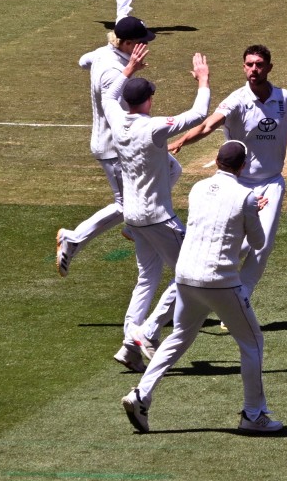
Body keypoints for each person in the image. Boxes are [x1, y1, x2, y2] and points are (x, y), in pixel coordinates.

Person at [168, 45, 287, 298]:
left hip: (271, 183)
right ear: (244, 67)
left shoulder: (284, 98)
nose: (254, 69)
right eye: (249, 64)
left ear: (269, 67)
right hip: (236, 184)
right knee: (229, 243)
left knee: (263, 244)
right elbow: (207, 126)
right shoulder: (236, 100)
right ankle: (189, 293)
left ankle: (241, 296)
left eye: (259, 64)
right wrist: (181, 141)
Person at [121, 140, 283, 434]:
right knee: (253, 343)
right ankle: (253, 414)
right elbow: (257, 244)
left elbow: (216, 225)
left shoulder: (197, 189)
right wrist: (253, 214)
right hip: (220, 280)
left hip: (185, 277)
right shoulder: (246, 196)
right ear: (243, 166)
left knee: (179, 337)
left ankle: (141, 395)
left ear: (217, 161)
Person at [103, 45, 211, 372]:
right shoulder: (152, 127)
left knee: (147, 276)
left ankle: (128, 345)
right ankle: (145, 332)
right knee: (190, 275)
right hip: (157, 217)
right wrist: (203, 80)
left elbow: (109, 96)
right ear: (148, 100)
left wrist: (128, 69)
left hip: (133, 216)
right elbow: (197, 116)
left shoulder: (117, 117)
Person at [55, 16, 157, 278]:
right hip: (113, 146)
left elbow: (82, 60)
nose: (145, 46)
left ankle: (131, 228)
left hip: (113, 144)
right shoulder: (113, 70)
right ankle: (74, 238)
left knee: (171, 168)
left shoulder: (103, 53)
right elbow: (112, 102)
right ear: (128, 44)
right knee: (125, 205)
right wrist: (130, 71)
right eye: (141, 43)